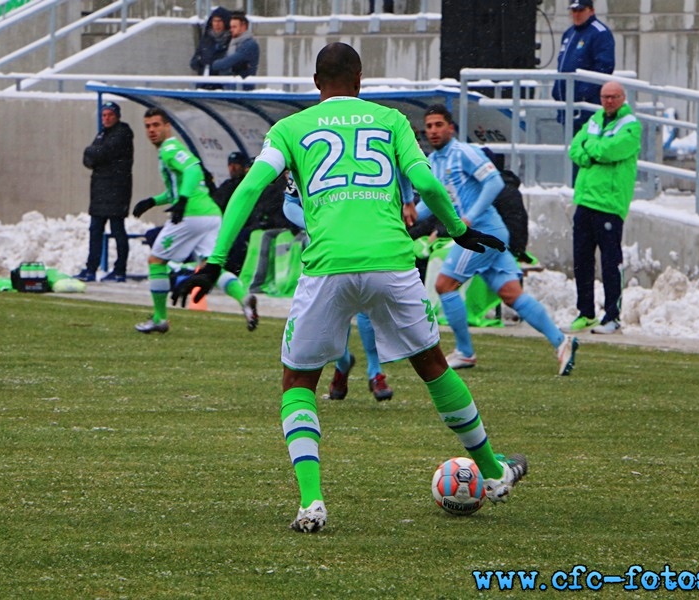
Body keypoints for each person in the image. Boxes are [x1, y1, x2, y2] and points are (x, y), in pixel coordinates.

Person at [173, 42, 527, 533]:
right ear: (360, 80)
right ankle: (492, 472)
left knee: (298, 382)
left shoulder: (290, 128)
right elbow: (425, 184)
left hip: (327, 266)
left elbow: (251, 188)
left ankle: (312, 502)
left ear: (317, 83)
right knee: (431, 365)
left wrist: (214, 263)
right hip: (390, 260)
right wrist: (458, 229)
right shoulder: (391, 121)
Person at [419, 105, 578, 376]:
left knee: (444, 285)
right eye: (429, 126)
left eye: (438, 125)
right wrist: (406, 216)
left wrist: (469, 217)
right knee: (511, 295)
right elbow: (431, 203)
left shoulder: (465, 153)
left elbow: (494, 182)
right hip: (484, 233)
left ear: (450, 128)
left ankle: (465, 353)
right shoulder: (433, 162)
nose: (433, 131)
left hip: (483, 232)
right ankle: (561, 342)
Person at [131, 106, 257, 334]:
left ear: (168, 126)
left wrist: (182, 202)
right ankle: (244, 298)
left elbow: (193, 170)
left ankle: (160, 318)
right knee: (209, 267)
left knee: (156, 260)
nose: (151, 130)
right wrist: (152, 201)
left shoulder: (170, 148)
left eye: (156, 125)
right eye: (148, 126)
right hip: (210, 214)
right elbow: (177, 189)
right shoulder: (171, 151)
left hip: (192, 215)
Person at [283, 180, 393, 401]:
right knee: (330, 312)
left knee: (366, 305)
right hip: (325, 247)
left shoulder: (370, 147)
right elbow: (290, 203)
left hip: (365, 238)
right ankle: (343, 363)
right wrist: (315, 224)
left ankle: (375, 372)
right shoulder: (308, 149)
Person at [567, 81, 641, 335]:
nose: (608, 101)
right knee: (582, 260)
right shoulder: (595, 120)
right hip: (585, 199)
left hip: (609, 203)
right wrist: (590, 152)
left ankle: (612, 315)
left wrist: (592, 150)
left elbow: (612, 150)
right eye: (604, 97)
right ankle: (585, 312)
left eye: (613, 97)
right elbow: (575, 148)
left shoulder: (630, 124)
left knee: (611, 261)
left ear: (623, 98)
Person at [76, 101, 134, 283]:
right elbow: (89, 158)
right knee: (95, 230)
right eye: (104, 115)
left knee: (118, 230)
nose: (106, 118)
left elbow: (101, 152)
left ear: (117, 116)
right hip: (100, 191)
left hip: (117, 190)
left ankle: (120, 270)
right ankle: (90, 269)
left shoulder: (122, 133)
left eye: (110, 115)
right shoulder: (102, 134)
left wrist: (92, 152)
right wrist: (92, 153)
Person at [552, 0, 615, 136]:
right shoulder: (569, 33)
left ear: (591, 11)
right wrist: (557, 91)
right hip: (567, 105)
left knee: (587, 149)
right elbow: (562, 65)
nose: (577, 14)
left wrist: (583, 93)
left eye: (581, 10)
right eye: (574, 11)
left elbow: (604, 66)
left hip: (586, 108)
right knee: (573, 150)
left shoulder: (600, 33)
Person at [209, 12, 259, 89]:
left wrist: (215, 63)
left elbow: (227, 62)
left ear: (243, 27)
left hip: (243, 89)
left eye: (234, 27)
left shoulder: (249, 45)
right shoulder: (233, 43)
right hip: (230, 86)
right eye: (231, 27)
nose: (231, 30)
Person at [189, 6, 232, 89]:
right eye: (214, 21)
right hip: (203, 85)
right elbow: (193, 62)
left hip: (223, 85)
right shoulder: (206, 39)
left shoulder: (231, 40)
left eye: (220, 21)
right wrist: (201, 61)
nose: (216, 24)